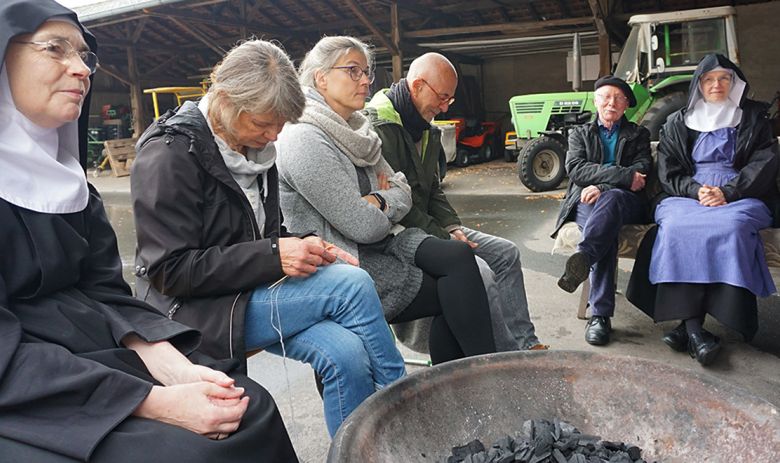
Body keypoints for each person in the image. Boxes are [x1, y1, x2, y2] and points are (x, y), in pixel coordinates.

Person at [0, 1, 298, 461]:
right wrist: (154, 402)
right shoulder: (170, 150)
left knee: (249, 406)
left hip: (93, 349)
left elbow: (106, 292)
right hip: (30, 384)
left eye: (84, 55)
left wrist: (174, 368)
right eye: (56, 49)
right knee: (189, 451)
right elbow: (169, 269)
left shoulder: (71, 183)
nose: (80, 68)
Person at [131, 39, 405, 437]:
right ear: (224, 99)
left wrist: (305, 244)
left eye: (280, 125)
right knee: (352, 285)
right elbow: (168, 271)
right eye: (263, 123)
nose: (273, 135)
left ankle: (357, 449)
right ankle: (406, 401)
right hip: (194, 311)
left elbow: (266, 233)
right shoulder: (169, 154)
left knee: (346, 354)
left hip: (247, 290)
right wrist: (276, 255)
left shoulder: (256, 151)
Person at [276, 36, 497, 365]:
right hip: (349, 259)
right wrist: (385, 199)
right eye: (353, 71)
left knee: (460, 256)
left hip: (385, 240)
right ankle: (483, 381)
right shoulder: (303, 138)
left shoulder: (359, 129)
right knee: (454, 293)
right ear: (321, 77)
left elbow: (402, 190)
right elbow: (362, 225)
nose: (365, 80)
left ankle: (477, 381)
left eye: (366, 72)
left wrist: (378, 199)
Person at [363, 52, 546, 352]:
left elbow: (432, 190)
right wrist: (444, 236)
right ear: (418, 85)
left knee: (506, 254)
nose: (446, 106)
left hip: (433, 227)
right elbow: (396, 207)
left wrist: (452, 225)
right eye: (443, 97)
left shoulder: (426, 129)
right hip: (403, 236)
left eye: (450, 98)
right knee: (481, 273)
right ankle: (508, 360)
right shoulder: (380, 128)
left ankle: (527, 345)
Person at [627, 54, 779, 366]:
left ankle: (687, 329)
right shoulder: (677, 122)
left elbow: (763, 164)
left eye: (724, 78)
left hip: (742, 193)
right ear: (699, 84)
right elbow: (668, 172)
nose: (716, 85)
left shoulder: (754, 118)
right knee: (676, 227)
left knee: (731, 227)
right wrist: (697, 191)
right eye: (709, 79)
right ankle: (696, 331)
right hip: (688, 193)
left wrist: (727, 192)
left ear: (735, 82)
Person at [552, 75, 652, 346]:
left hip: (625, 201)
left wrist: (604, 186)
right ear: (596, 101)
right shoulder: (579, 133)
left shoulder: (638, 134)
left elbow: (642, 171)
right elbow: (576, 168)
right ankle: (600, 316)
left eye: (619, 98)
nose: (612, 102)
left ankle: (585, 261)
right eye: (606, 97)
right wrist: (617, 177)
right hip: (587, 200)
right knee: (603, 229)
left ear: (626, 105)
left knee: (609, 204)